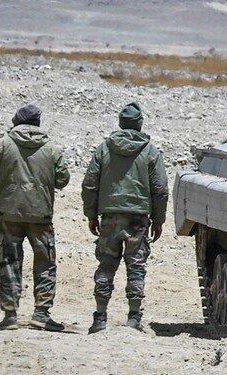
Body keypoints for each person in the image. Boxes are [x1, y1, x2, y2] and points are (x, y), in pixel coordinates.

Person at [0, 104, 69, 331]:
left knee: (9, 262)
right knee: (45, 263)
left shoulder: (2, 144)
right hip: (40, 215)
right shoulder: (51, 149)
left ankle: (10, 316)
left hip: (9, 214)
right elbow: (63, 180)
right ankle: (41, 314)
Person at [81, 102, 169, 334]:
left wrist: (91, 214)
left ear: (120, 123)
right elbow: (160, 188)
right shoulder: (150, 150)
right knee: (136, 267)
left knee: (106, 266)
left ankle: (100, 318)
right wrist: (158, 220)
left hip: (109, 216)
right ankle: (133, 318)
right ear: (140, 124)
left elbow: (90, 184)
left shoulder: (104, 149)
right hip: (138, 219)